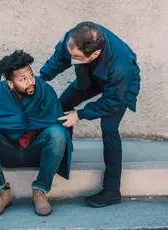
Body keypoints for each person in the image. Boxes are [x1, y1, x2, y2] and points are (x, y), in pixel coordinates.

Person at [39, 21, 141, 207]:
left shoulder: (121, 65)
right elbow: (60, 58)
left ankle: (112, 190)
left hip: (119, 87)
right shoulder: (76, 37)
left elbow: (112, 102)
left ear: (95, 54)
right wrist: (41, 79)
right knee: (62, 105)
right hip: (90, 73)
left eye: (75, 57)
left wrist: (79, 115)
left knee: (109, 129)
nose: (71, 58)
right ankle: (60, 154)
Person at [0, 50, 72, 217]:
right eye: (23, 79)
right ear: (10, 83)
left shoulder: (45, 91)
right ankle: (1, 192)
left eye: (31, 75)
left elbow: (58, 121)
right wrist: (15, 122)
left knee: (58, 133)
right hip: (6, 150)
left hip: (36, 150)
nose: (30, 82)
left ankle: (40, 190)